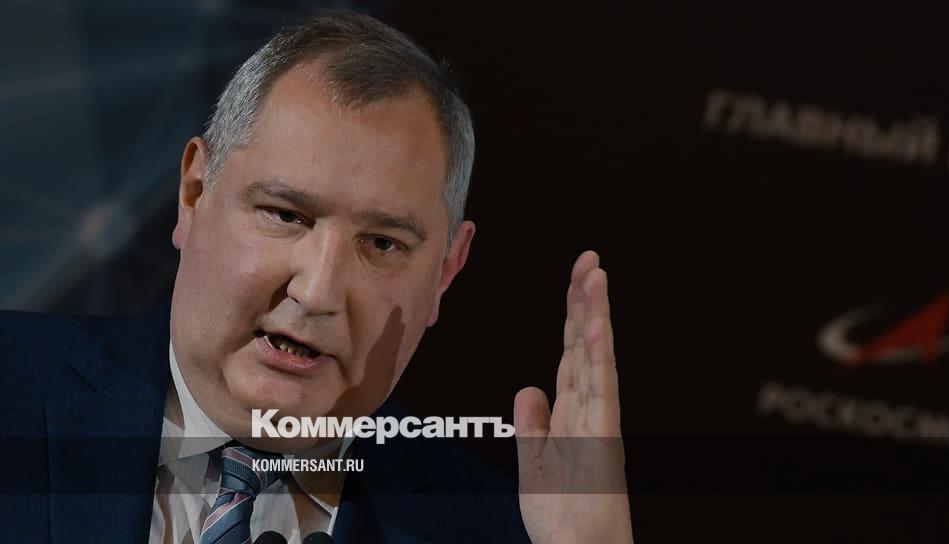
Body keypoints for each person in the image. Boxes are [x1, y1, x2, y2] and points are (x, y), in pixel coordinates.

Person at [1, 9, 632, 543]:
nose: (318, 292)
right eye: (285, 215)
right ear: (193, 195)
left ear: (445, 272)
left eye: (382, 244)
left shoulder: (506, 529)